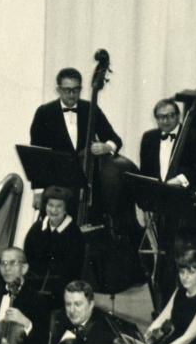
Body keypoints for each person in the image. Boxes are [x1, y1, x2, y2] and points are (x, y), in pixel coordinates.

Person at [137, 98, 196, 306]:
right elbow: (146, 175)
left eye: (170, 115)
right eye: (161, 117)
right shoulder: (149, 138)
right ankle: (163, 308)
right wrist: (146, 205)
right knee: (162, 261)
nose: (166, 120)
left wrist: (179, 180)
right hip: (160, 207)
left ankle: (187, 305)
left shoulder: (194, 136)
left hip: (185, 207)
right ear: (156, 119)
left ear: (179, 116)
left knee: (181, 259)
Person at [29, 67, 126, 225]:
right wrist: (38, 191)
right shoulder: (44, 113)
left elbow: (115, 138)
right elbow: (37, 155)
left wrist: (108, 147)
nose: (72, 95)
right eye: (67, 90)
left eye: (76, 90)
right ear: (58, 90)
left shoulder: (90, 109)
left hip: (87, 189)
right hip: (57, 188)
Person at [21, 186, 84, 307]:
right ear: (45, 206)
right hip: (35, 284)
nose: (53, 210)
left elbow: (73, 270)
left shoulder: (74, 233)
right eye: (50, 205)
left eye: (59, 206)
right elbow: (27, 256)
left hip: (59, 290)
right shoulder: (37, 228)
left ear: (66, 209)